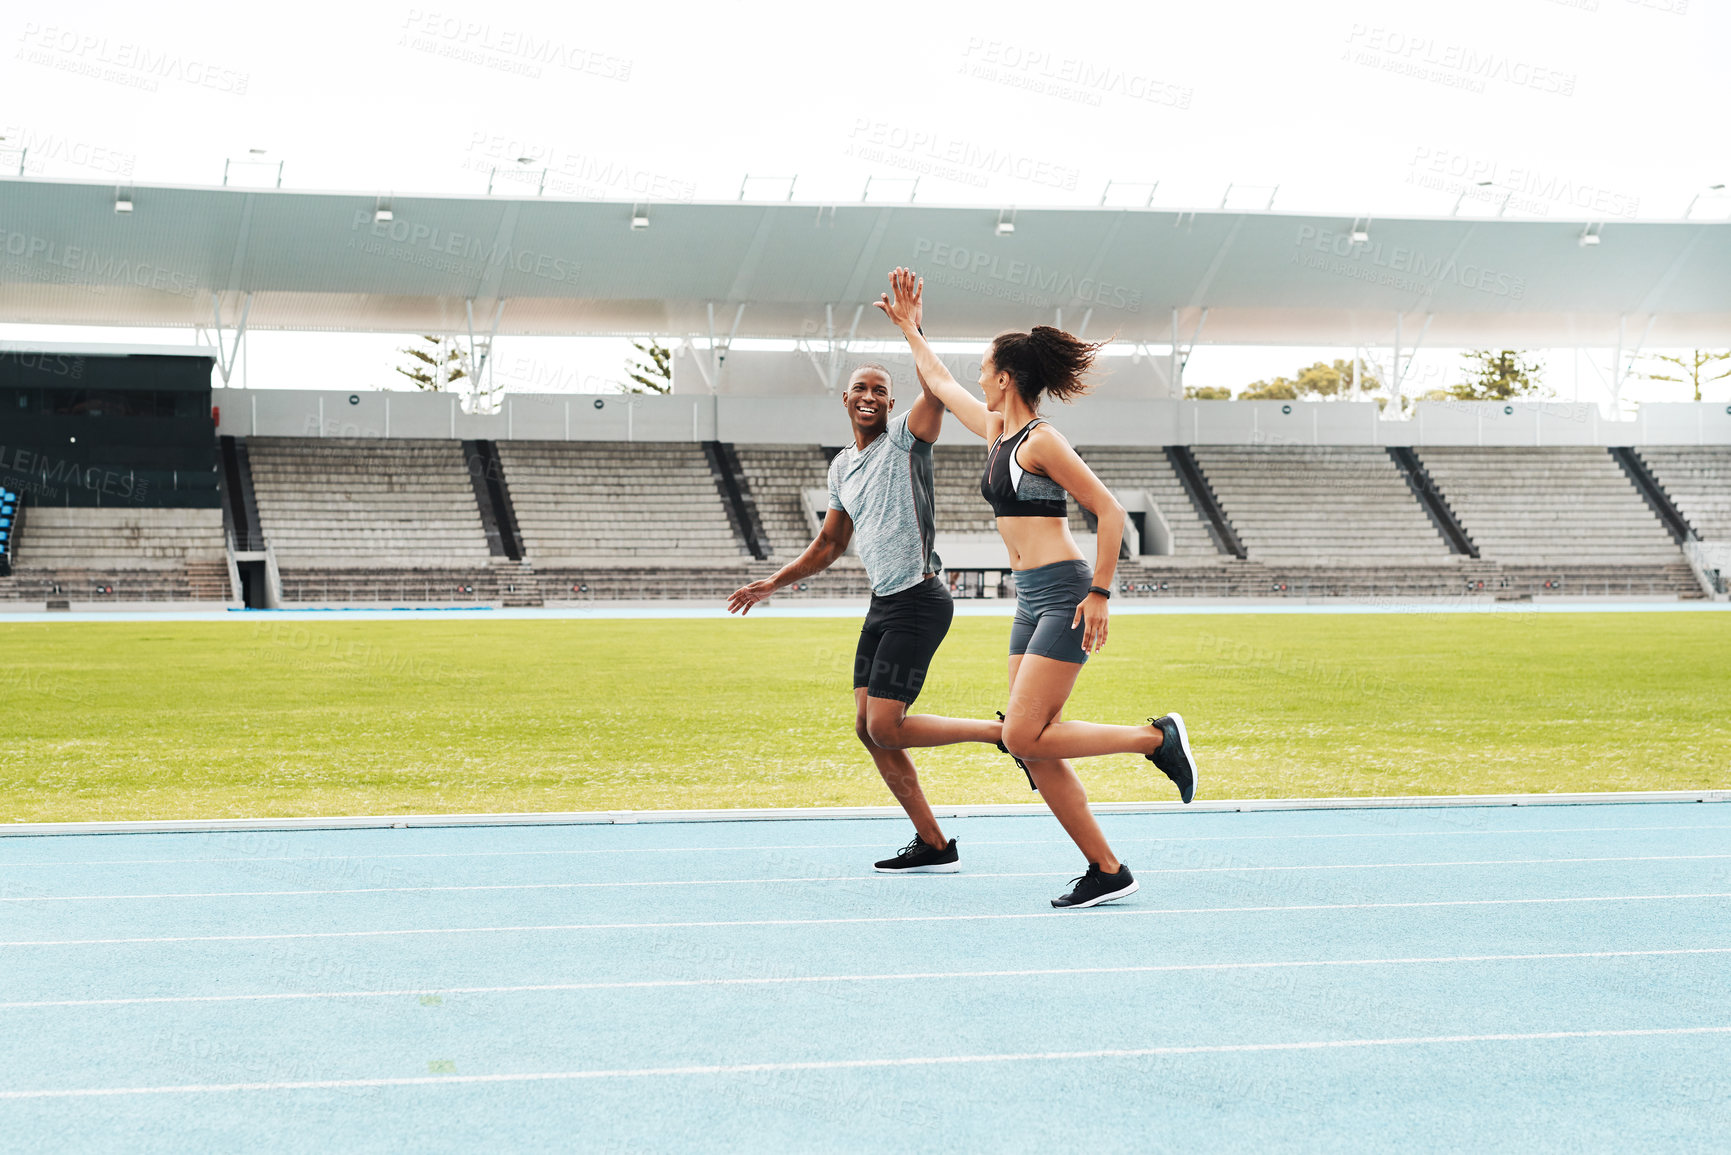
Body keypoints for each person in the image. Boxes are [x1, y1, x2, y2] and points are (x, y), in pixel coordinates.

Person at [875, 267, 1199, 910]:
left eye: (985, 370)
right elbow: (937, 381)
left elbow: (1108, 511)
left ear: (1006, 377)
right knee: (1035, 745)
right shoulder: (999, 433)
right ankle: (1106, 868)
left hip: (1067, 591)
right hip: (1029, 600)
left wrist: (1100, 594)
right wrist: (913, 330)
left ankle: (1156, 738)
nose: (976, 378)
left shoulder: (1043, 441)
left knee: (1023, 738)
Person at [727, 348, 1003, 875]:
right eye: (861, 388)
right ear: (846, 399)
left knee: (887, 727)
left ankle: (1000, 734)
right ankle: (934, 844)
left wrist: (911, 329)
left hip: (920, 601)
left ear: (892, 402)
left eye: (880, 390)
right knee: (865, 727)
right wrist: (773, 584)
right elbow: (830, 544)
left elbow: (935, 386)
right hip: (882, 605)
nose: (870, 396)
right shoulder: (841, 467)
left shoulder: (905, 437)